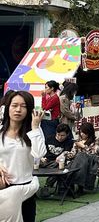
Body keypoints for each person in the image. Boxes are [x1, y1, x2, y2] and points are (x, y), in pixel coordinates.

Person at [0, 90, 46, 222]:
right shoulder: (1, 132)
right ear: (7, 108)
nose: (18, 110)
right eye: (14, 105)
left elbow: (39, 154)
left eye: (23, 106)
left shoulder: (34, 132)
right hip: (4, 189)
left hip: (26, 190)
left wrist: (35, 127)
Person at [64, 122, 99, 194]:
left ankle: (76, 185)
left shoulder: (97, 139)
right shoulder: (78, 141)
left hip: (91, 160)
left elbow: (94, 152)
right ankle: (73, 186)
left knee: (81, 156)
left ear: (89, 132)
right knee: (77, 158)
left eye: (84, 133)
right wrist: (65, 154)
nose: (82, 134)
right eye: (81, 132)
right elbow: (73, 154)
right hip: (78, 162)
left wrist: (83, 146)